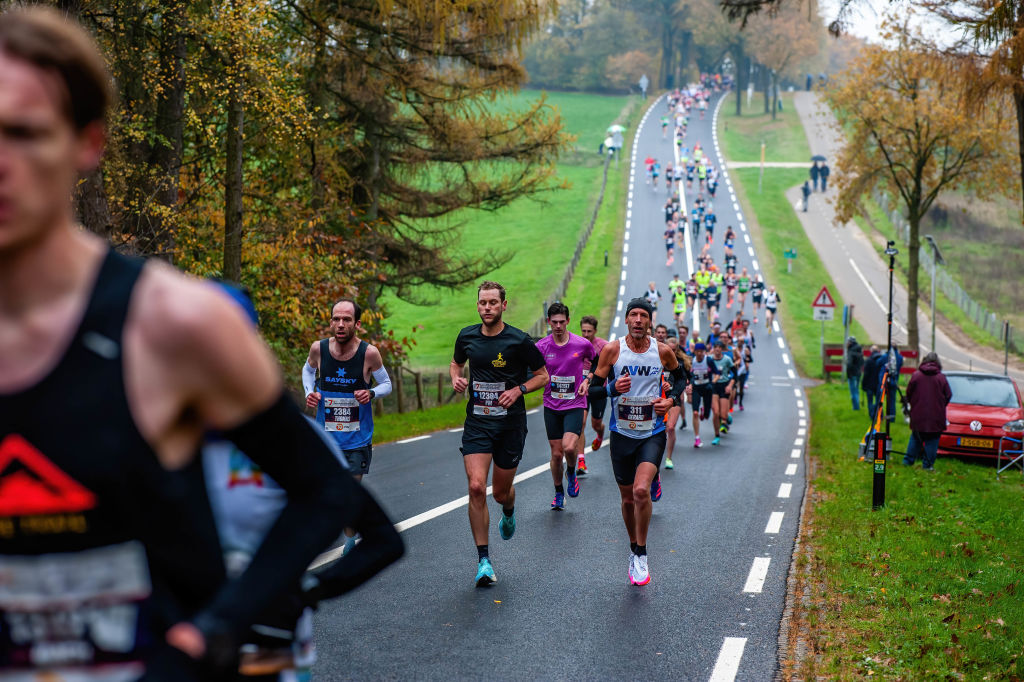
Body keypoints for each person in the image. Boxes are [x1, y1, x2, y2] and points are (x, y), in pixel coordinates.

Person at [0, 8, 391, 677]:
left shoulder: (173, 323)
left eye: (24, 133)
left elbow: (328, 495)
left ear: (87, 144)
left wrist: (222, 625)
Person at [206, 283, 403, 679]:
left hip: (273, 654)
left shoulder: (293, 440)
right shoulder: (159, 438)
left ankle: (345, 542)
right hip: (192, 647)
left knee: (352, 498)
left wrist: (301, 590)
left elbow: (385, 540)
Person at [451, 281, 548, 586]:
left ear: (503, 305)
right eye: (483, 303)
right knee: (477, 486)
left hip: (510, 425)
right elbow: (457, 363)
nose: (487, 308)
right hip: (478, 423)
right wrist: (457, 379)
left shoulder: (519, 340)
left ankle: (508, 508)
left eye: (493, 303)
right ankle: (484, 561)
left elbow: (543, 375)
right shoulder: (466, 336)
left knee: (499, 492)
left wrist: (519, 390)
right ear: (477, 305)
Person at [586, 300, 686, 586]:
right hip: (622, 434)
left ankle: (641, 553)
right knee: (628, 498)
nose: (639, 320)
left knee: (641, 491)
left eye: (644, 316)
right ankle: (632, 546)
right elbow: (592, 389)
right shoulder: (612, 351)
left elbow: (681, 379)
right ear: (627, 321)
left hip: (652, 433)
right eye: (634, 315)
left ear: (650, 322)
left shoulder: (662, 351)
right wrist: (610, 389)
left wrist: (670, 400)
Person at [304, 298, 392, 555]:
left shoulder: (369, 353)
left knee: (347, 490)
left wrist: (372, 393)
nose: (340, 324)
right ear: (331, 321)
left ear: (357, 324)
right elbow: (308, 371)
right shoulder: (318, 349)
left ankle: (350, 539)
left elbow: (386, 384)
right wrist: (310, 392)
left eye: (346, 319)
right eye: (336, 319)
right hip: (326, 438)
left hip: (356, 440)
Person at [536, 303, 595, 510]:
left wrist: (588, 379)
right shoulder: (542, 347)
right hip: (551, 405)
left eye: (562, 322)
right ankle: (559, 492)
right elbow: (532, 370)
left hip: (575, 403)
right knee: (556, 454)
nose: (558, 326)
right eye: (554, 322)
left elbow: (597, 361)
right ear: (548, 322)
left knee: (569, 447)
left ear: (568, 321)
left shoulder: (581, 344)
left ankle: (571, 471)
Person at [902, 352, 951, 471]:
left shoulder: (916, 376)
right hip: (936, 416)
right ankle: (928, 465)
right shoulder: (941, 378)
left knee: (916, 437)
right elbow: (948, 395)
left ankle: (908, 461)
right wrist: (939, 406)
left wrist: (915, 404)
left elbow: (908, 393)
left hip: (918, 414)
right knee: (932, 441)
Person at [578, 315, 609, 472]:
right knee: (580, 423)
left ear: (595, 331)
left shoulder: (603, 346)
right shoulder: (577, 344)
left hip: (597, 390)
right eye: (583, 331)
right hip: (581, 391)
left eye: (589, 331)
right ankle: (581, 461)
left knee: (595, 424)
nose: (585, 334)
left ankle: (600, 433)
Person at [709, 342, 735, 445]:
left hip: (724, 386)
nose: (718, 349)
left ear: (722, 349)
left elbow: (735, 374)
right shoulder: (709, 359)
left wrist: (730, 385)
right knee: (716, 413)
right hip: (713, 386)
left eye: (720, 348)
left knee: (722, 415)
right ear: (713, 348)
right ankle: (717, 436)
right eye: (716, 347)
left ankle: (727, 417)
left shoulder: (727, 360)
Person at [688, 343, 714, 448]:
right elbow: (688, 375)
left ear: (704, 352)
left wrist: (712, 383)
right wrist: (689, 384)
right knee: (695, 413)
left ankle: (704, 411)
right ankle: (697, 438)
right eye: (697, 351)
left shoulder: (709, 360)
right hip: (696, 389)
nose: (699, 353)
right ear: (695, 352)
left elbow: (716, 372)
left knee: (707, 416)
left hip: (707, 388)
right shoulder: (692, 361)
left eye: (701, 351)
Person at [862, 345, 883, 420]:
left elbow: (866, 374)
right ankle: (879, 414)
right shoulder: (881, 360)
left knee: (870, 400)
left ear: (871, 351)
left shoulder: (869, 360)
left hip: (869, 384)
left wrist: (863, 384)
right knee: (879, 400)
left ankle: (872, 415)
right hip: (879, 383)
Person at [845, 336, 865, 410]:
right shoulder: (859, 350)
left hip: (852, 374)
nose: (846, 343)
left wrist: (848, 373)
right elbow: (863, 362)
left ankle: (856, 407)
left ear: (850, 343)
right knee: (856, 390)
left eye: (847, 342)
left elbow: (849, 364)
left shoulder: (851, 351)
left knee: (853, 391)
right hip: (858, 373)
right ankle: (857, 406)